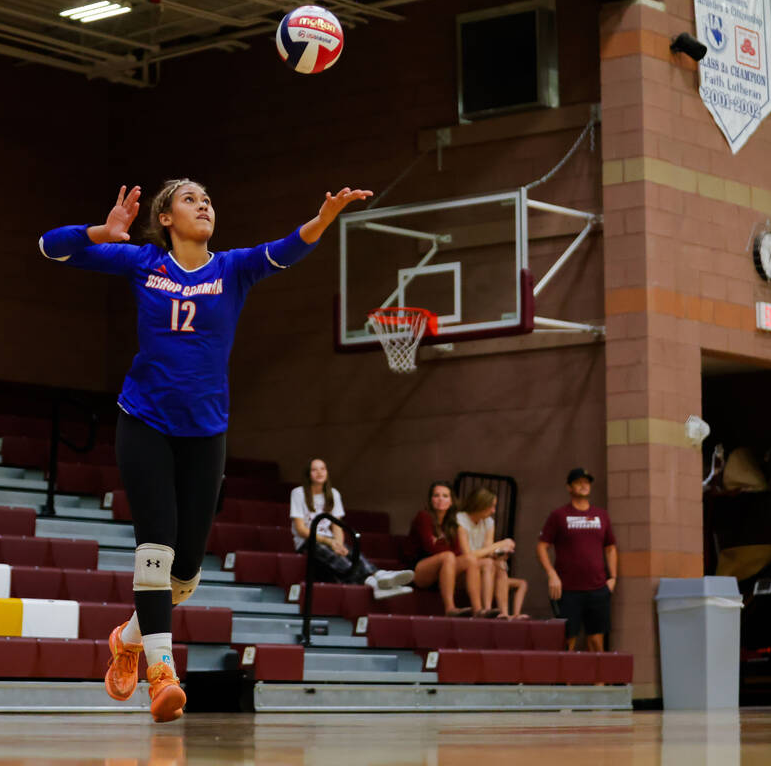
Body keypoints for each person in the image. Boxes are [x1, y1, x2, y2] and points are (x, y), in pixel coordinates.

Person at [39, 180, 371, 722]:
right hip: (144, 421)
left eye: (209, 199)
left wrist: (323, 218)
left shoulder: (233, 268)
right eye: (190, 199)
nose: (204, 205)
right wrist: (100, 232)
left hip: (205, 431)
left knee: (186, 576)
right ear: (165, 218)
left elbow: (288, 249)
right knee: (156, 545)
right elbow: (51, 247)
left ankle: (126, 638)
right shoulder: (142, 261)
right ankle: (161, 672)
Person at [290, 458, 415, 600]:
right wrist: (331, 543)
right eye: (314, 469)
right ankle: (375, 584)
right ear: (308, 474)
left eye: (323, 468)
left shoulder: (333, 494)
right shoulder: (298, 493)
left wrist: (338, 543)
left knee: (353, 553)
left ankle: (378, 576)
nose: (319, 472)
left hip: (329, 540)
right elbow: (301, 529)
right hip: (307, 541)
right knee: (339, 560)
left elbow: (337, 525)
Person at [536, 468, 618, 651]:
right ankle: (567, 680)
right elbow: (542, 546)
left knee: (597, 641)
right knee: (567, 641)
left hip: (597, 588)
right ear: (569, 487)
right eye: (579, 482)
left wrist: (613, 578)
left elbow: (610, 547)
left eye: (587, 482)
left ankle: (599, 681)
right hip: (568, 590)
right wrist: (552, 574)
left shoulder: (601, 515)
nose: (583, 485)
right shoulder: (559, 515)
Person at [455, 488, 528, 619]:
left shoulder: (488, 522)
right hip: (463, 565)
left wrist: (500, 553)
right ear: (480, 505)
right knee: (488, 564)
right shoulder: (460, 519)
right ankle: (486, 609)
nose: (493, 511)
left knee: (500, 565)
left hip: (481, 562)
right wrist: (499, 544)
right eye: (491, 506)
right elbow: (468, 555)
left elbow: (488, 550)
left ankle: (504, 613)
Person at [409, 481, 475, 616]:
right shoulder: (424, 517)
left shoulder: (452, 523)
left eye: (445, 496)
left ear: (451, 501)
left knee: (470, 559)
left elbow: (458, 551)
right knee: (448, 556)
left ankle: (479, 609)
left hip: (444, 568)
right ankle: (450, 608)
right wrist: (444, 545)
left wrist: (438, 542)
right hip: (419, 569)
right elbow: (429, 548)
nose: (440, 499)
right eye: (436, 495)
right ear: (430, 499)